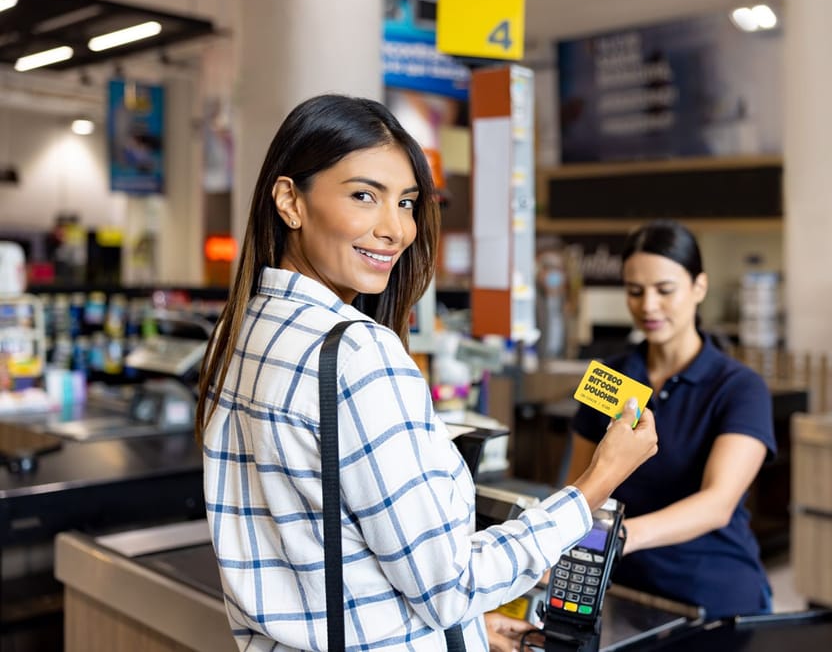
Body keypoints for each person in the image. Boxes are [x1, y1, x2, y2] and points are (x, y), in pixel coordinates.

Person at [196, 94, 658, 651]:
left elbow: (319, 556)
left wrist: (457, 631)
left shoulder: (240, 330)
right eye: (364, 196)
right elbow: (449, 584)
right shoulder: (358, 356)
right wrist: (595, 485)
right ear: (290, 200)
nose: (395, 229)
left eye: (408, 203)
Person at [565, 220, 776, 620]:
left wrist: (622, 537)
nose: (648, 306)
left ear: (699, 287)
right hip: (622, 593)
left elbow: (717, 504)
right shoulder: (610, 378)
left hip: (713, 596)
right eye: (635, 291)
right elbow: (580, 488)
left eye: (664, 290)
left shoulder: (739, 388)